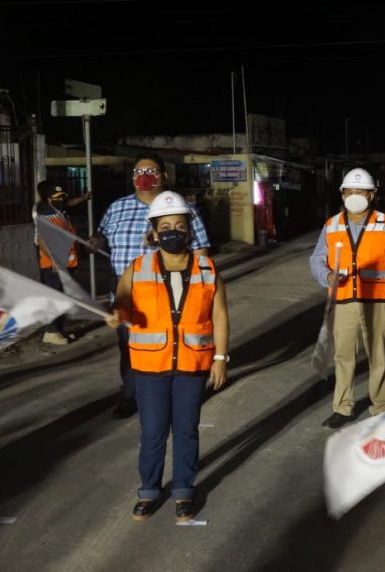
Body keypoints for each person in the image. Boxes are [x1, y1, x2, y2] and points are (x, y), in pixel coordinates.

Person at [106, 191, 229, 523]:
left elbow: (219, 315)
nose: (173, 231)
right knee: (153, 432)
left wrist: (220, 358)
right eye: (165, 227)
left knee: (186, 430)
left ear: (189, 230)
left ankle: (184, 490)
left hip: (192, 363)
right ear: (153, 232)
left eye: (179, 225)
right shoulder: (138, 268)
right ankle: (148, 490)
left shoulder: (207, 268)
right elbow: (121, 304)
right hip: (150, 366)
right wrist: (117, 314)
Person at [92, 153, 211, 419]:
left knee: (171, 347)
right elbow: (100, 236)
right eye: (138, 172)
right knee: (130, 349)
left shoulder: (181, 209)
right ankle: (130, 395)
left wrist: (198, 289)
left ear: (164, 176)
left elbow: (201, 251)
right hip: (125, 296)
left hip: (168, 296)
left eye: (151, 171)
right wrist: (94, 241)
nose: (144, 177)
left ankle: (172, 394)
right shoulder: (116, 208)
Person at [309, 168, 385, 429]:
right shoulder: (332, 225)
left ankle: (380, 406)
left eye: (361, 191)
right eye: (350, 191)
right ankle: (342, 408)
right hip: (344, 300)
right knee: (343, 356)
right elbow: (316, 258)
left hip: (378, 301)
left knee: (378, 356)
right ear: (342, 194)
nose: (355, 195)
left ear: (372, 195)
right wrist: (326, 276)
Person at [33, 180, 91, 345]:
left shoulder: (62, 214)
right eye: (57, 197)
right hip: (54, 266)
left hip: (67, 264)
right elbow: (41, 240)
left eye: (62, 197)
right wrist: (55, 260)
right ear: (49, 199)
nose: (61, 200)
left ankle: (58, 330)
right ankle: (51, 332)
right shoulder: (46, 216)